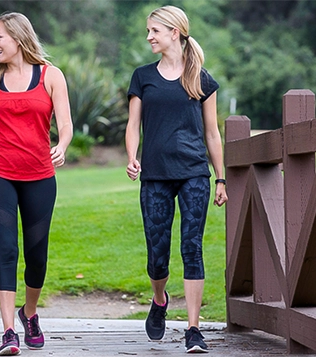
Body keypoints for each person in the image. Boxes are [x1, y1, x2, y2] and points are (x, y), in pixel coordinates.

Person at [125, 5, 228, 354]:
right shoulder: (143, 76)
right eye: (149, 31)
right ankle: (160, 298)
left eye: (154, 30)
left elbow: (212, 134)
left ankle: (193, 329)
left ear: (175, 32)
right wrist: (131, 157)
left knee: (191, 248)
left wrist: (221, 179)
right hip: (154, 175)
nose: (149, 36)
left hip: (194, 174)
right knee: (157, 256)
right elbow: (132, 125)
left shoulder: (202, 79)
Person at [0, 12, 73, 356]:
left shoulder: (50, 75)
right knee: (7, 250)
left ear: (18, 38)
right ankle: (8, 332)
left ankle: (29, 314)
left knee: (36, 255)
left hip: (40, 176)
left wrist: (62, 145)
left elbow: (66, 123)